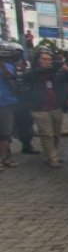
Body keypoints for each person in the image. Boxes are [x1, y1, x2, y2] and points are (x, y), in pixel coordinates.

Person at [25, 48, 68, 167]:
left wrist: (65, 70)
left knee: (56, 133)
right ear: (38, 60)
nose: (47, 62)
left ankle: (50, 154)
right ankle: (52, 158)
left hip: (55, 106)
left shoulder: (54, 73)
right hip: (40, 108)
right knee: (46, 134)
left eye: (49, 59)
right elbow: (28, 76)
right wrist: (43, 69)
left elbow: (67, 81)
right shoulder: (32, 72)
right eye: (44, 59)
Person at [0, 41, 23, 170]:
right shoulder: (8, 65)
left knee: (6, 133)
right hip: (4, 102)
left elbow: (10, 77)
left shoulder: (8, 65)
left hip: (6, 102)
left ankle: (4, 157)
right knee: (4, 133)